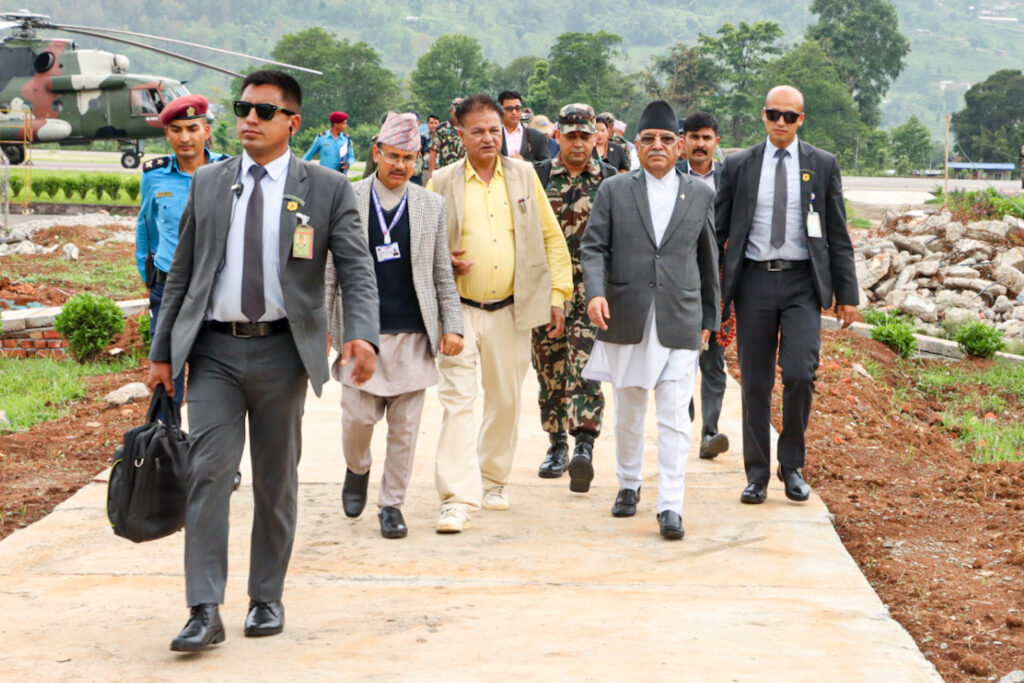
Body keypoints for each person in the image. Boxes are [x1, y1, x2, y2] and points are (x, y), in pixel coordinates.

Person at [147, 70, 379, 652]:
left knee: (276, 482)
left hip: (283, 352)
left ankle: (266, 596)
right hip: (214, 352)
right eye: (242, 108)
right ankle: (203, 609)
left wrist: (363, 335)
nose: (248, 119)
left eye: (263, 112)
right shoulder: (209, 183)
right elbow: (180, 276)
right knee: (208, 475)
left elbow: (355, 269)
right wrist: (161, 352)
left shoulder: (325, 188)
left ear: (292, 123)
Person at [426, 94, 572, 533]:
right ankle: (456, 497)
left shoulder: (524, 175)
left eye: (494, 129)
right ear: (461, 134)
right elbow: (425, 245)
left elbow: (551, 238)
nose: (487, 138)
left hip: (511, 310)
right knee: (458, 402)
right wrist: (443, 261)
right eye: (478, 131)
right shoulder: (442, 181)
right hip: (459, 311)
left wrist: (558, 295)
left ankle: (492, 479)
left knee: (505, 401)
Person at [581, 99, 720, 540]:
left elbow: (708, 256)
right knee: (630, 408)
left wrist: (711, 318)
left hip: (680, 316)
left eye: (665, 139)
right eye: (648, 140)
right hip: (627, 314)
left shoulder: (700, 193)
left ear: (679, 146)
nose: (657, 146)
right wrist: (596, 293)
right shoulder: (615, 190)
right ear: (635, 146)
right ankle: (627, 483)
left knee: (676, 416)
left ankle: (670, 505)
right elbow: (594, 248)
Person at [715, 85, 858, 505]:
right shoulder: (739, 164)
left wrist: (847, 295)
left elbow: (837, 233)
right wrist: (713, 291)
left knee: (799, 373)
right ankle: (757, 473)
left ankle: (791, 464)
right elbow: (718, 231)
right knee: (755, 383)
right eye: (774, 114)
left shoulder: (823, 165)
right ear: (763, 116)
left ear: (801, 119)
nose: (781, 122)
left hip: (801, 284)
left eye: (789, 116)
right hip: (754, 282)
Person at [325, 112, 464, 539]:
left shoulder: (430, 204)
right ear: (376, 153)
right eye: (393, 156)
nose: (400, 166)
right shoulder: (348, 197)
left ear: (419, 160)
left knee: (404, 431)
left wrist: (452, 325)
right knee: (357, 420)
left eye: (409, 158)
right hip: (361, 332)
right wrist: (324, 322)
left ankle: (391, 505)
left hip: (413, 332)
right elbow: (331, 268)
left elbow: (442, 271)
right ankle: (357, 467)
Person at [532, 103, 617, 488]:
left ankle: (584, 442)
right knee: (549, 368)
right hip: (548, 289)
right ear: (558, 137)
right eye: (571, 136)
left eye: (585, 135)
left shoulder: (612, 182)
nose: (579, 143)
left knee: (586, 366)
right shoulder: (537, 178)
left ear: (596, 136)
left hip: (592, 289)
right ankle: (556, 442)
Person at [135, 94, 227, 420]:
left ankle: (213, 458)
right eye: (176, 130)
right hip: (168, 288)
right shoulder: (154, 176)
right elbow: (146, 227)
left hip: (217, 290)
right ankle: (166, 453)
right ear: (167, 134)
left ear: (206, 131)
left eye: (192, 128)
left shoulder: (229, 171)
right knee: (167, 379)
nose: (185, 138)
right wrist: (148, 276)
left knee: (215, 379)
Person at [676, 111, 732, 461]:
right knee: (681, 359)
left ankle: (710, 431)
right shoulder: (669, 175)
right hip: (679, 278)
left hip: (720, 281)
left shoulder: (730, 179)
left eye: (706, 138)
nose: (699, 144)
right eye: (694, 137)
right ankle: (683, 424)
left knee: (714, 358)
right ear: (683, 141)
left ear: (716, 143)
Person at [497, 90, 550, 163]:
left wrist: (524, 163)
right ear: (500, 111)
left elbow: (546, 165)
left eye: (517, 108)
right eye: (509, 109)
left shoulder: (536, 137)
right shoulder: (494, 135)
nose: (514, 112)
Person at [428, 97, 465, 173]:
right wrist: (432, 177)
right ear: (451, 111)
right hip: (446, 174)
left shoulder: (469, 129)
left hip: (464, 175)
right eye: (456, 113)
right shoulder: (441, 129)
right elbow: (433, 153)